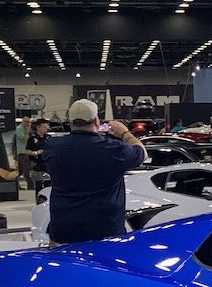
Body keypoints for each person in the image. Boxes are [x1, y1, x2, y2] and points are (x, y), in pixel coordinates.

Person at [43, 99, 146, 244]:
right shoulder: (113, 149)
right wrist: (124, 133)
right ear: (96, 121)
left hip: (64, 232)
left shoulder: (53, 147)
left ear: (70, 121)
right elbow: (141, 153)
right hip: (106, 234)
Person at [25, 117, 52, 198]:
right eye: (44, 127)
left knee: (48, 185)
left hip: (47, 164)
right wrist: (36, 152)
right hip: (37, 164)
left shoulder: (48, 138)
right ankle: (39, 201)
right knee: (39, 185)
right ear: (38, 127)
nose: (46, 129)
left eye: (47, 127)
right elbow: (26, 151)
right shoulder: (33, 138)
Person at [14, 114, 33, 190]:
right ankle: (30, 185)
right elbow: (23, 139)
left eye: (29, 122)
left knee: (21, 170)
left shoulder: (25, 129)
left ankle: (15, 184)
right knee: (26, 169)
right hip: (20, 152)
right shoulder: (19, 129)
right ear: (22, 121)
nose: (27, 124)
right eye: (26, 122)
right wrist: (27, 132)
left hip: (25, 151)